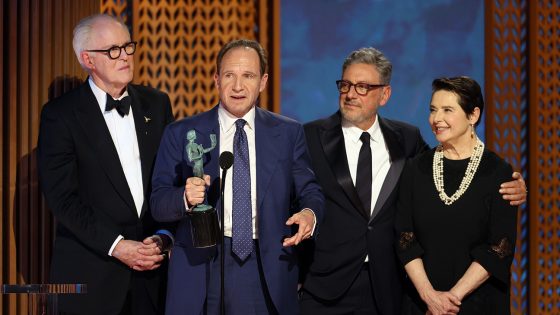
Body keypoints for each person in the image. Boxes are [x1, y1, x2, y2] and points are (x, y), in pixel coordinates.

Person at [299, 48, 526, 315]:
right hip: (326, 287)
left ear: (385, 94)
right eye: (346, 84)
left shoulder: (406, 139)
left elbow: (453, 167)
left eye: (362, 87)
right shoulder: (310, 136)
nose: (350, 94)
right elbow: (294, 195)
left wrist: (516, 184)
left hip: (388, 288)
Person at [150, 39, 324, 315]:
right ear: (216, 79)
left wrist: (309, 214)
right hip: (199, 265)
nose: (238, 86)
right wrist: (183, 197)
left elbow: (310, 190)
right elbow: (158, 202)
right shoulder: (181, 133)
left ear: (263, 81)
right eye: (229, 75)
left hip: (263, 264)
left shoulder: (289, 133)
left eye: (248, 76)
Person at [38, 14, 174, 315]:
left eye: (128, 47)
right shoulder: (60, 115)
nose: (125, 56)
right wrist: (118, 246)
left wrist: (164, 238)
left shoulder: (157, 103)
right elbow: (63, 199)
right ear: (88, 59)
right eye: (113, 50)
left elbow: (169, 179)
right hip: (93, 277)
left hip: (153, 276)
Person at [395, 76, 518, 315]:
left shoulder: (499, 172)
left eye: (447, 110)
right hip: (422, 303)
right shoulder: (415, 169)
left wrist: (450, 300)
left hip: (478, 303)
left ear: (473, 115)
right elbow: (404, 237)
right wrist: (429, 296)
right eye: (433, 110)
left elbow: (499, 247)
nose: (436, 119)